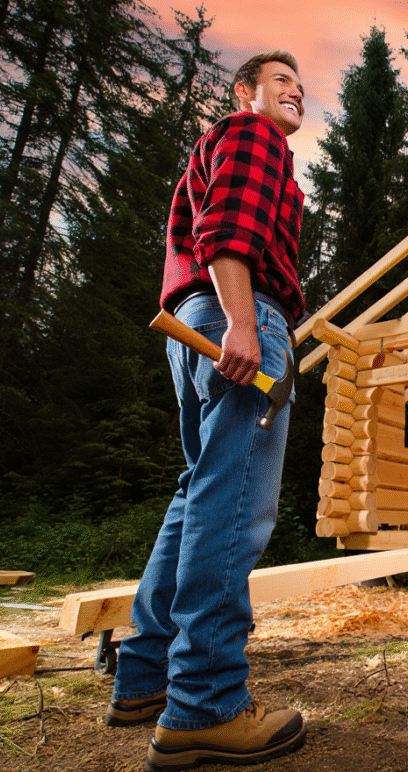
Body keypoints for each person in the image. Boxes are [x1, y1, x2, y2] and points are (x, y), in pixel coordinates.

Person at [105, 51, 308, 771]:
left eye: (300, 87)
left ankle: (145, 680)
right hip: (236, 315)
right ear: (244, 92)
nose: (296, 93)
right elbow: (227, 228)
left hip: (197, 321)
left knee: (199, 494)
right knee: (235, 501)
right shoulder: (254, 137)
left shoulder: (228, 144)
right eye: (280, 81)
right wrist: (247, 323)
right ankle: (207, 704)